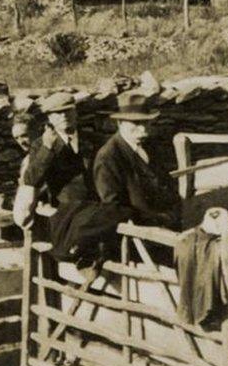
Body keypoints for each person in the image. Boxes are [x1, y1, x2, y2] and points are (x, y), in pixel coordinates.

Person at [15, 92, 123, 265]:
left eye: (68, 111)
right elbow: (31, 180)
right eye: (58, 113)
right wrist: (47, 149)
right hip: (66, 213)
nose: (64, 116)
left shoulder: (94, 141)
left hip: (97, 210)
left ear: (76, 113)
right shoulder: (40, 146)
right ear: (50, 118)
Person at [93, 90, 182, 231]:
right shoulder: (108, 157)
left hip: (169, 225)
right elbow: (113, 207)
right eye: (135, 123)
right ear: (119, 123)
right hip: (139, 235)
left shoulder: (149, 145)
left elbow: (166, 183)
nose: (143, 129)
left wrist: (174, 212)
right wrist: (154, 220)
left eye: (146, 122)